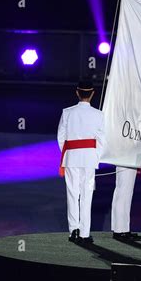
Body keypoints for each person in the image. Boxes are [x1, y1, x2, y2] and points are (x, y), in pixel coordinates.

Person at [57, 80, 105, 245]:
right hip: (89, 158)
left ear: (77, 93)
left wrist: (69, 152)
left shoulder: (67, 112)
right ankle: (85, 233)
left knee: (72, 193)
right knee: (87, 195)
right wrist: (95, 157)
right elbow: (102, 140)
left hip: (71, 157)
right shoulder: (99, 115)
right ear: (92, 94)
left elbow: (60, 137)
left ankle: (74, 231)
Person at [111, 167, 141, 241]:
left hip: (129, 161)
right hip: (126, 161)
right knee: (123, 195)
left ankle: (123, 229)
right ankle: (119, 230)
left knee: (126, 195)